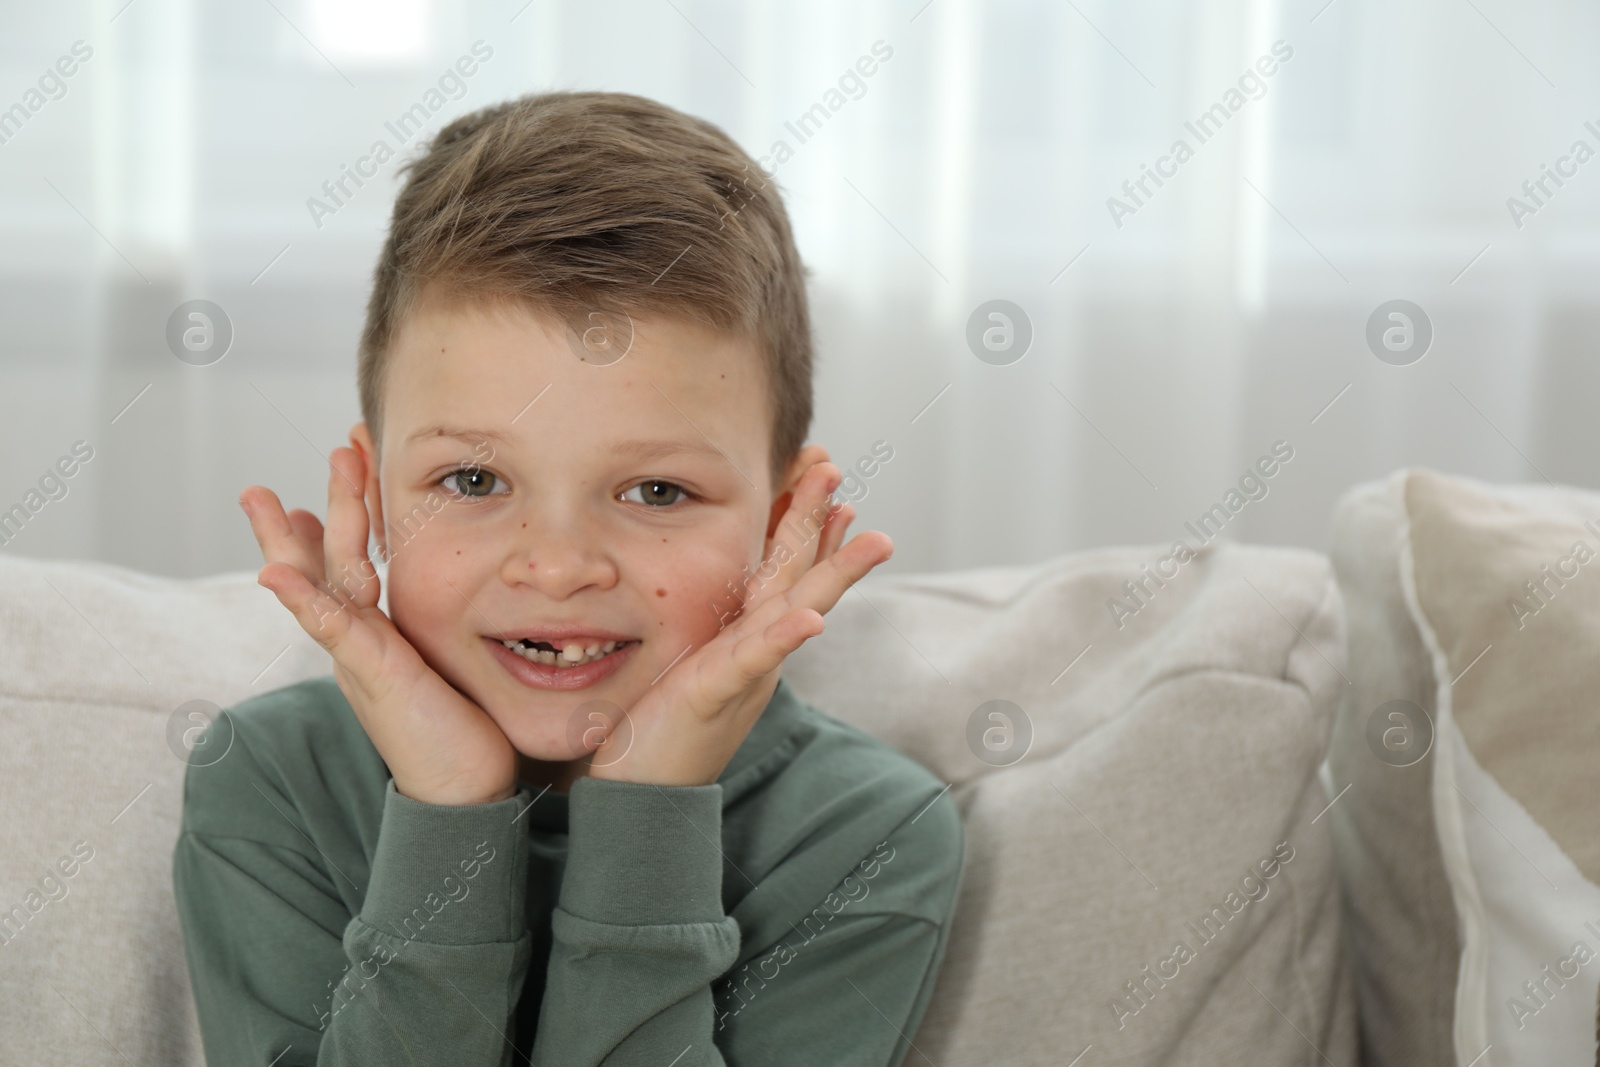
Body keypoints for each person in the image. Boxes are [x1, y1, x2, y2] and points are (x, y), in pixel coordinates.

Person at [172, 89, 964, 1066]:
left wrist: (647, 816)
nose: (556, 565)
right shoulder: (271, 781)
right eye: (471, 478)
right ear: (374, 498)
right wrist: (449, 806)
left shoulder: (866, 834)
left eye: (656, 490)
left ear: (781, 522)